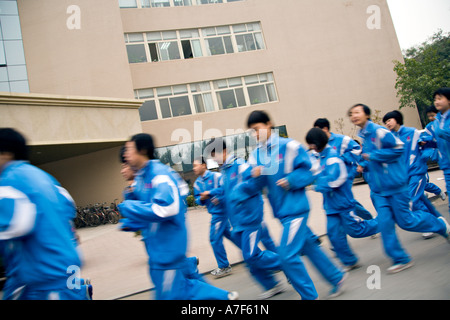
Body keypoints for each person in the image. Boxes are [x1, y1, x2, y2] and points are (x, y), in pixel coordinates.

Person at [118, 133, 237, 300]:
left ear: (142, 150)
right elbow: (149, 213)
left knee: (180, 291)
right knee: (184, 287)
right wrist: (131, 221)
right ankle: (223, 295)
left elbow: (166, 208)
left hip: (169, 249)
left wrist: (129, 206)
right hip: (158, 252)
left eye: (129, 149)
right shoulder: (143, 179)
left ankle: (223, 293)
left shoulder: (159, 175)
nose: (126, 155)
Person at [244, 110, 346, 300]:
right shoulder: (255, 155)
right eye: (252, 131)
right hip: (281, 211)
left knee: (287, 255)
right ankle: (336, 277)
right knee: (309, 246)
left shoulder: (289, 146)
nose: (255, 134)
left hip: (296, 209)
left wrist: (291, 180)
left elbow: (312, 169)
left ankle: (309, 296)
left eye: (257, 129)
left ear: (268, 124)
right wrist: (254, 176)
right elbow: (257, 186)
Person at [348, 104, 450, 273]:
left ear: (366, 114)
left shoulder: (379, 132)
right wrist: (363, 164)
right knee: (385, 223)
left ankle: (439, 225)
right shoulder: (363, 136)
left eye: (357, 112)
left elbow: (398, 148)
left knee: (406, 221)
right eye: (351, 114)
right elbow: (369, 158)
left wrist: (373, 156)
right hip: (379, 190)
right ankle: (401, 258)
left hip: (395, 185)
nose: (354, 116)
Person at [0, 128, 92, 300]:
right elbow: (68, 211)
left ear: (5, 153)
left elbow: (15, 227)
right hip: (69, 274)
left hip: (43, 283)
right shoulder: (47, 179)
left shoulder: (9, 181)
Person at [204, 137, 285, 300]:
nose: (213, 160)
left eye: (214, 155)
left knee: (251, 255)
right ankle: (272, 285)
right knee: (248, 259)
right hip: (238, 222)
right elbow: (226, 191)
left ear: (223, 152)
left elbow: (256, 184)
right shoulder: (225, 170)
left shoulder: (240, 165)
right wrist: (214, 195)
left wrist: (251, 211)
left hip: (249, 219)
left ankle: (287, 263)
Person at [306, 128, 379, 271]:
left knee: (356, 230)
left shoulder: (332, 158)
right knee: (333, 234)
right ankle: (349, 260)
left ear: (318, 143)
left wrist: (317, 185)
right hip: (330, 205)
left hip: (343, 202)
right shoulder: (319, 157)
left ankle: (385, 220)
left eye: (312, 144)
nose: (311, 147)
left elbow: (334, 181)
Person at [383, 110, 442, 220]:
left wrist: (424, 148)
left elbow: (426, 142)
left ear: (397, 120)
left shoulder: (412, 132)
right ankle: (438, 220)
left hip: (417, 172)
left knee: (412, 200)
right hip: (404, 176)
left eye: (389, 120)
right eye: (385, 122)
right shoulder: (390, 138)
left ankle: (429, 223)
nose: (387, 124)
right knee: (421, 200)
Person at [313, 118, 374, 221]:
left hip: (345, 174)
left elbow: (357, 149)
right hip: (329, 177)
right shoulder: (320, 144)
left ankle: (369, 222)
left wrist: (346, 160)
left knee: (344, 199)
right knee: (342, 199)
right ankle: (366, 219)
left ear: (325, 129)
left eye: (318, 130)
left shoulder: (342, 140)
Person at [193, 156, 234, 278]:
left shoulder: (216, 177)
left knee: (214, 239)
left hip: (220, 212)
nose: (194, 168)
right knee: (233, 235)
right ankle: (254, 255)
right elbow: (197, 199)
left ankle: (224, 266)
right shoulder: (197, 184)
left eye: (196, 166)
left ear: (204, 165)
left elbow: (225, 190)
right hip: (215, 212)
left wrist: (213, 195)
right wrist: (201, 199)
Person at [421, 88, 450, 218]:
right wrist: (425, 143)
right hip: (446, 165)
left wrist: (443, 132)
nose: (436, 101)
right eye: (435, 99)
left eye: (440, 98)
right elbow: (434, 142)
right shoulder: (437, 121)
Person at [422, 105, 446, 201]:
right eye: (429, 116)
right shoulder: (429, 127)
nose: (431, 118)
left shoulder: (445, 123)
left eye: (432, 115)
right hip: (442, 157)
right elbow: (428, 141)